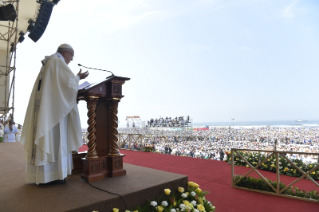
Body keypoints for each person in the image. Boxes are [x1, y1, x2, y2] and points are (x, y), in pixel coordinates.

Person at [20, 44, 89, 185]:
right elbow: (68, 85)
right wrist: (78, 78)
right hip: (54, 113)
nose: (71, 60)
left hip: (48, 110)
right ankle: (53, 176)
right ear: (65, 52)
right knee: (55, 140)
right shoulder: (57, 62)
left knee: (48, 140)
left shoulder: (49, 62)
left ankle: (44, 177)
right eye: (71, 56)